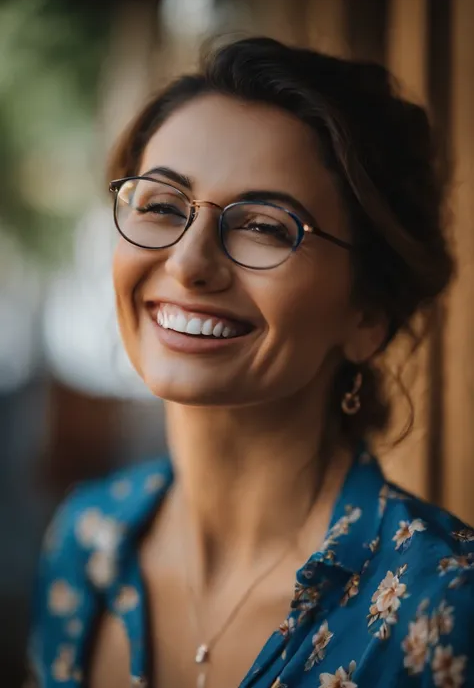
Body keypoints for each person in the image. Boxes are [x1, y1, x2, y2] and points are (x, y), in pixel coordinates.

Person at [27, 37, 474, 688]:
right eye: (160, 206)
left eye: (263, 225)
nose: (187, 263)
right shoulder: (85, 539)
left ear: (367, 314)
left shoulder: (446, 606)